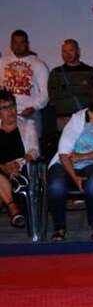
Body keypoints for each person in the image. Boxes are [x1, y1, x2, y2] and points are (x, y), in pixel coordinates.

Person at [47, 88, 93, 241]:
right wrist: (75, 177)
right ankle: (59, 227)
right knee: (56, 186)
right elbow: (63, 152)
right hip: (66, 162)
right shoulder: (78, 118)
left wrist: (83, 156)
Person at [0, 90, 39, 228]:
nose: (10, 111)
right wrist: (4, 167)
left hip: (21, 170)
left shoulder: (28, 125)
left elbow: (34, 150)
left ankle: (12, 207)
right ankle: (13, 208)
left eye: (12, 106)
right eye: (4, 108)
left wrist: (18, 163)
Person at [0, 30, 49, 137]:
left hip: (29, 114)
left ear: (27, 44)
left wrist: (34, 107)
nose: (18, 46)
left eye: (21, 42)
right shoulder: (2, 62)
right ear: (11, 44)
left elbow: (46, 93)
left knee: (31, 146)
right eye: (15, 42)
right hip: (4, 114)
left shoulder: (38, 64)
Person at [47, 39, 93, 130]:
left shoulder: (89, 71)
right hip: (64, 119)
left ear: (78, 51)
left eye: (71, 50)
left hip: (85, 118)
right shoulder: (56, 73)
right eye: (64, 51)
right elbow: (52, 97)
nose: (68, 54)